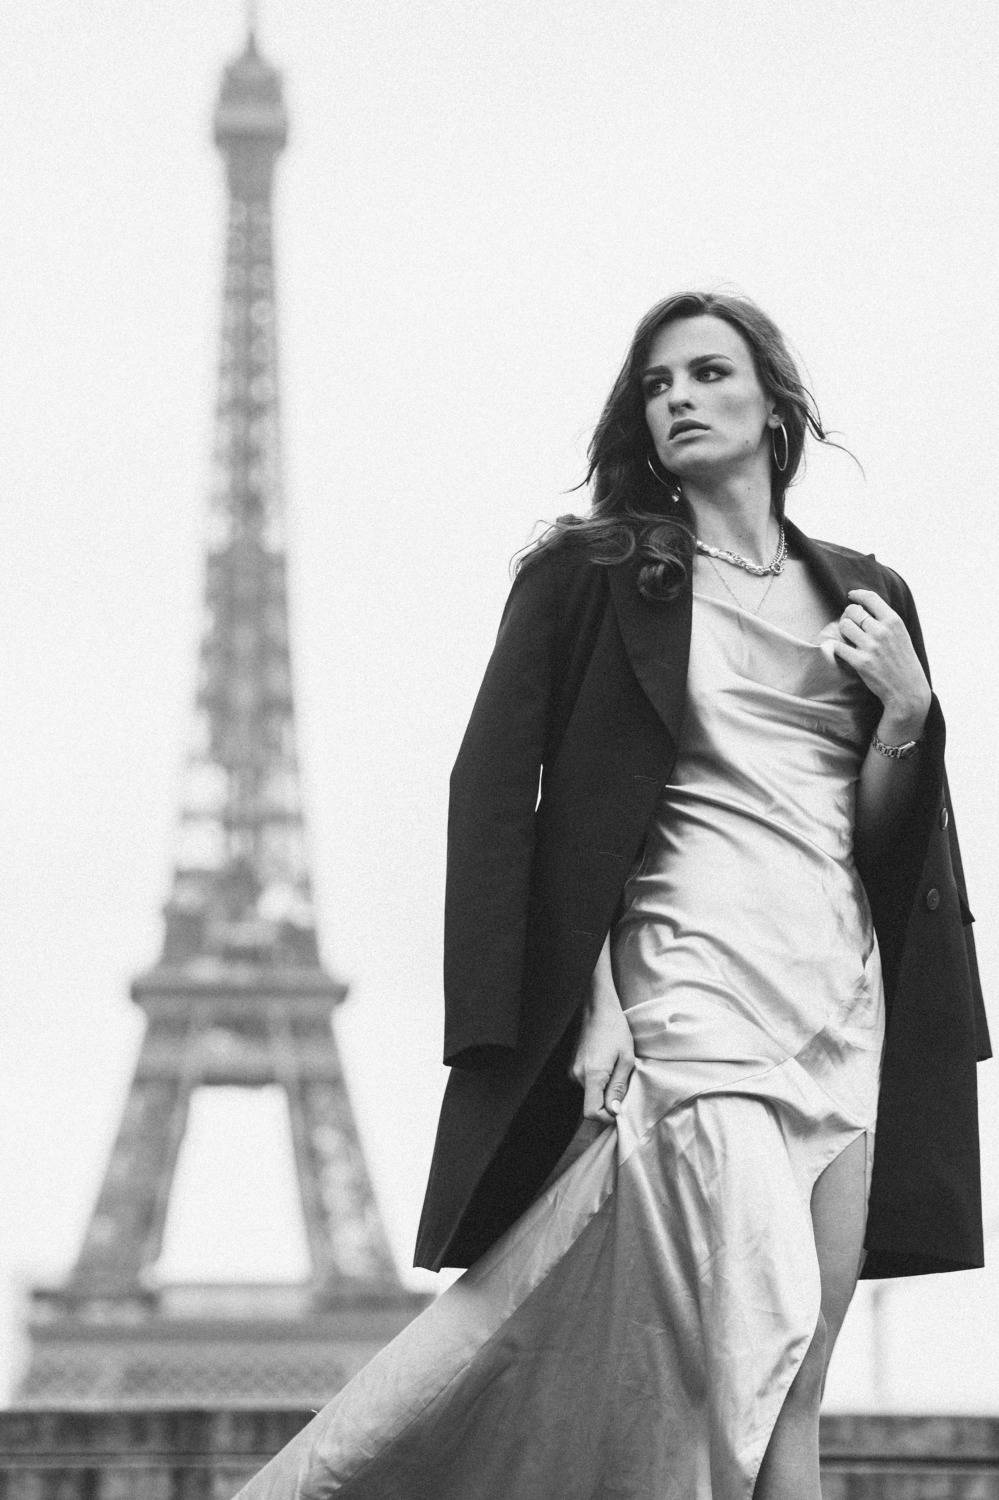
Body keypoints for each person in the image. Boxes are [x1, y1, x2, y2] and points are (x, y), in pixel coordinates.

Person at [234, 292, 989, 1500]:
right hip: (690, 988)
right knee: (754, 1332)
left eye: (708, 372)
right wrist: (590, 998)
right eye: (656, 383)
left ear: (777, 406)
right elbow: (500, 794)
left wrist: (908, 711)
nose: (678, 396)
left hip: (842, 1003)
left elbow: (885, 843)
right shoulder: (592, 575)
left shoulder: (867, 597)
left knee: (794, 1385)